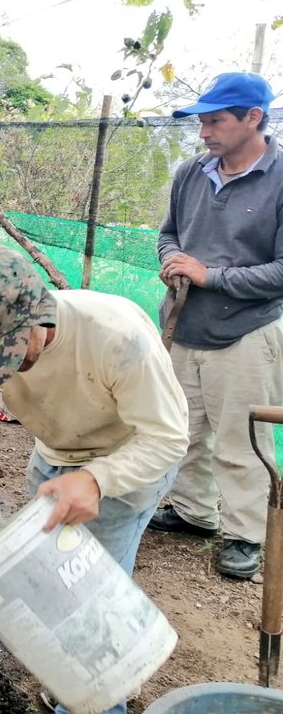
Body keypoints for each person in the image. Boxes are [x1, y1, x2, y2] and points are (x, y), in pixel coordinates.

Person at [0, 246, 188, 714]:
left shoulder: (116, 335)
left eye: (10, 353)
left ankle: (101, 696)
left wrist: (96, 479)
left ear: (39, 314)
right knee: (50, 582)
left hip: (131, 457)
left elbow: (167, 438)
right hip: (53, 458)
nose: (3, 368)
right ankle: (78, 679)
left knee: (93, 597)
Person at [148, 71, 283, 580]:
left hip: (245, 335)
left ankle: (246, 535)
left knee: (241, 441)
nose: (204, 133)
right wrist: (173, 257)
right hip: (184, 325)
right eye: (201, 123)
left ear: (253, 118)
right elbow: (168, 235)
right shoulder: (191, 172)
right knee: (183, 431)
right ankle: (193, 513)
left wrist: (210, 275)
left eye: (215, 122)